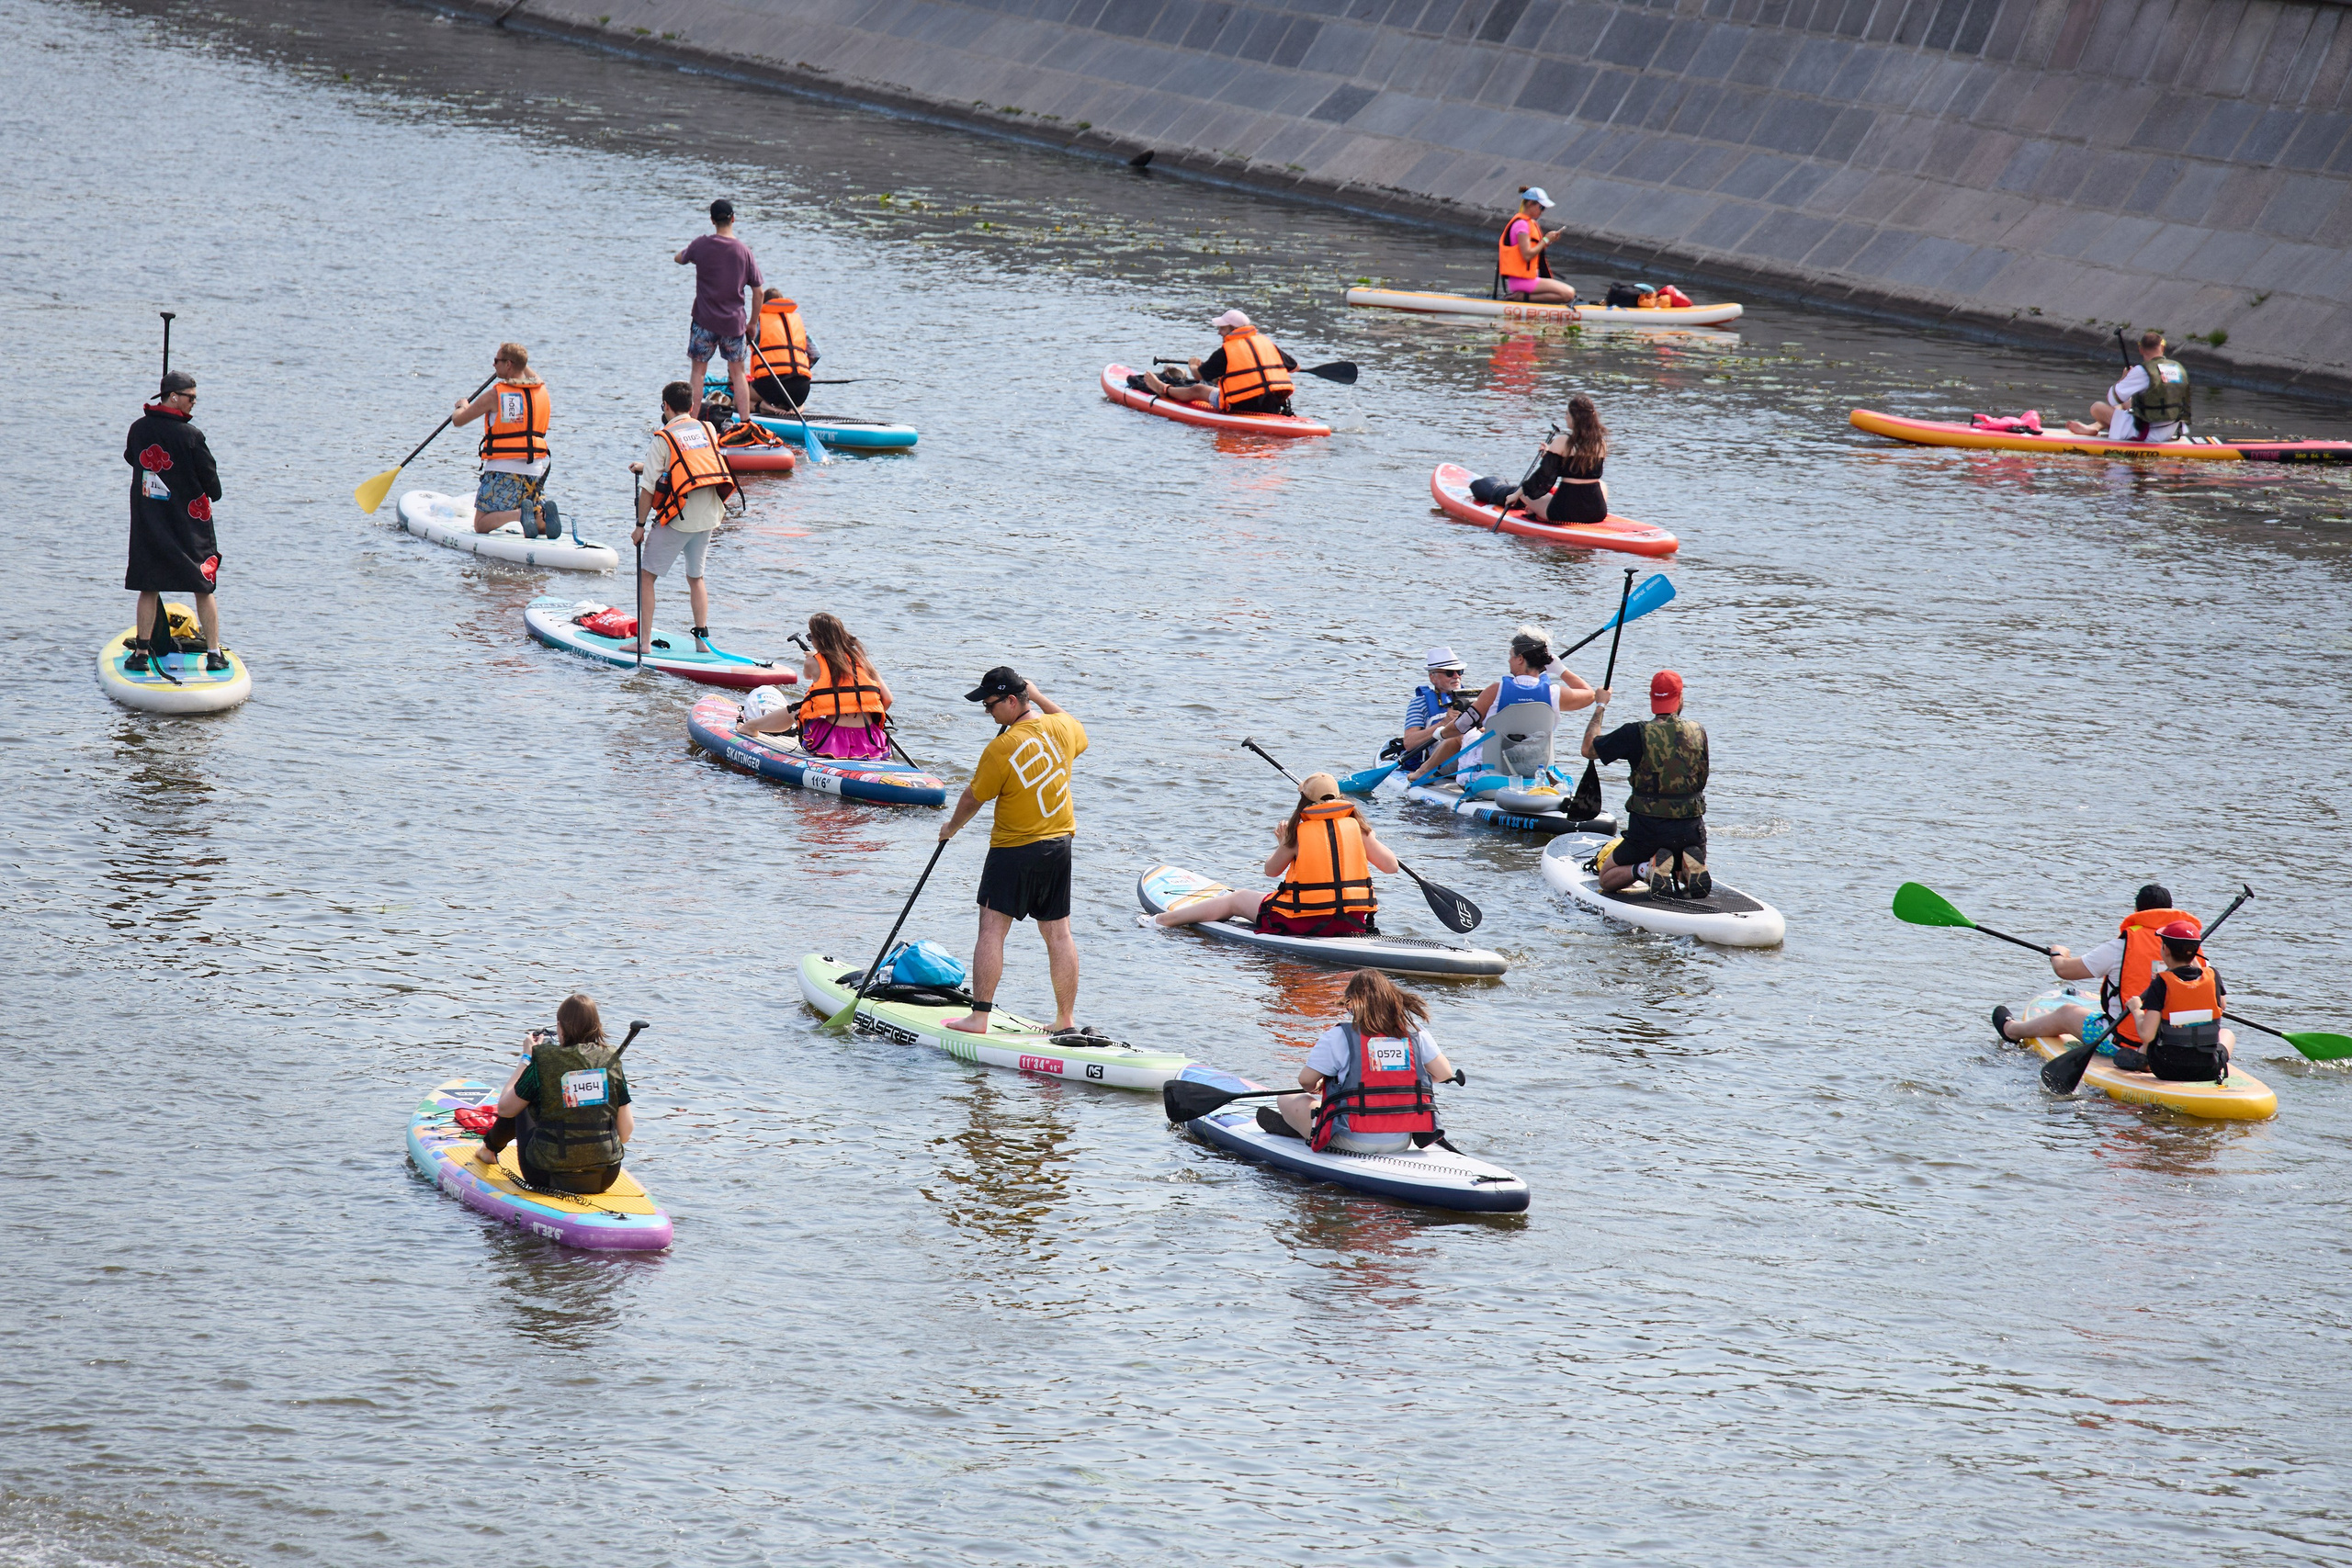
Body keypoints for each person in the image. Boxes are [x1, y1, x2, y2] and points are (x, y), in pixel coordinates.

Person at [937, 668, 1090, 1041]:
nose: (987, 713)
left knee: (991, 930)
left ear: (1010, 701)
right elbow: (1072, 725)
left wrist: (949, 829)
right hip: (1059, 846)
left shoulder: (1001, 748)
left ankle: (979, 1017)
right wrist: (1037, 696)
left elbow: (974, 797)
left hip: (1012, 849)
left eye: (990, 705)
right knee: (1058, 933)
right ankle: (1064, 1019)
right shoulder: (1065, 729)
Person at [1148, 773, 1401, 939]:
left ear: (1304, 801)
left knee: (1237, 899)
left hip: (1303, 921)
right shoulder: (1358, 829)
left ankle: (1163, 920)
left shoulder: (1298, 832)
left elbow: (1271, 871)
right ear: (1339, 798)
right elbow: (1391, 867)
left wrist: (1283, 844)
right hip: (1352, 922)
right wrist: (1371, 837)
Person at [1992, 884, 2211, 1068]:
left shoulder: (2122, 946)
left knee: (2067, 1013)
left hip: (2125, 1042)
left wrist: (2058, 954)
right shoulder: (2194, 952)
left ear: (2136, 911)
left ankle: (2012, 1030)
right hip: (2182, 1043)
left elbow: (2065, 971)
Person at [1266, 969, 1460, 1148]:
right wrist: (1404, 1082)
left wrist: (1319, 1086)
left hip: (1349, 1139)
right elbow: (1444, 1074)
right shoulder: (1415, 1032)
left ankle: (1302, 1128)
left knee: (1286, 1098)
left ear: (1351, 1004)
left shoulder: (1338, 1036)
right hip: (1401, 1142)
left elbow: (1305, 1081)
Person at [477, 992, 635, 1195]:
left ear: (561, 1026)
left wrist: (526, 1059)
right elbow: (626, 1134)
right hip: (605, 1177)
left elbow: (506, 1109)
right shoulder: (611, 1061)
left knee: (523, 1101)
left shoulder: (544, 1061)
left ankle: (489, 1150)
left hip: (547, 1175)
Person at [123, 369, 227, 671]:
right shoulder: (192, 436)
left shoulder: (138, 429)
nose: (194, 403)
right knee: (203, 587)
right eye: (190, 398)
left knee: (149, 585)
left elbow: (133, 458)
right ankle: (214, 654)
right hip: (189, 526)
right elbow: (214, 490)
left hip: (149, 522)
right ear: (173, 397)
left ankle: (141, 655)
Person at [1407, 626, 1595, 785]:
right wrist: (1560, 670)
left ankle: (1421, 772)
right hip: (1533, 765)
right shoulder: (1554, 693)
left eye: (1511, 656)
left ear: (1520, 658)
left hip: (1492, 768)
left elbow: (1462, 725)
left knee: (1461, 736)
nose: (1508, 660)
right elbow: (1590, 695)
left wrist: (1440, 733)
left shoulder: (1496, 690)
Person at [1579, 669, 1710, 897]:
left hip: (1648, 832)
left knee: (1607, 878)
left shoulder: (1634, 733)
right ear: (1679, 698)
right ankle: (1686, 867)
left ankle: (1645, 868)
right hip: (1691, 830)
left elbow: (1588, 749)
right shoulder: (1698, 731)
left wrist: (1600, 705)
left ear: (1652, 699)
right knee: (1675, 864)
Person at [629, 381, 736, 654]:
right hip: (710, 515)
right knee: (696, 577)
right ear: (692, 407)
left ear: (665, 407)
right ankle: (702, 643)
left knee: (647, 576)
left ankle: (643, 643)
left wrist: (640, 526)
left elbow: (648, 488)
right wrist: (648, 466)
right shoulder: (708, 428)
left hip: (679, 518)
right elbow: (693, 461)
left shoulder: (662, 438)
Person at [738, 612, 894, 760]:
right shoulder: (862, 660)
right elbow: (888, 699)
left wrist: (814, 657)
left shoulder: (813, 662)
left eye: (811, 637)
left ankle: (751, 727)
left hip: (832, 741)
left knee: (797, 709)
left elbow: (808, 675)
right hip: (870, 739)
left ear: (820, 640)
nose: (810, 640)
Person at [447, 343, 555, 537]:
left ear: (508, 365)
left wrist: (462, 406)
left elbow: (459, 421)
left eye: (497, 361)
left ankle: (520, 514)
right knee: (534, 514)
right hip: (534, 470)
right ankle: (541, 520)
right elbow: (531, 375)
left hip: (502, 469)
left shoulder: (495, 394)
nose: (493, 364)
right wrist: (519, 361)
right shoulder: (541, 390)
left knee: (480, 524)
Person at [675, 198, 763, 420]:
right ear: (733, 219)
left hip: (704, 322)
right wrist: (752, 323)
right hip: (734, 324)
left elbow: (679, 258)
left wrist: (693, 254)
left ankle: (691, 423)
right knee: (738, 373)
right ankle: (745, 423)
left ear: (712, 220)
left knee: (698, 372)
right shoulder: (744, 252)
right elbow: (759, 291)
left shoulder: (701, 245)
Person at [1467, 394, 1611, 525]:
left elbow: (1543, 478)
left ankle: (1506, 495)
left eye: (1567, 414)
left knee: (1522, 491)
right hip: (1596, 512)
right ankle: (1531, 507)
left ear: (1575, 417)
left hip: (1566, 511)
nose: (1565, 417)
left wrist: (1516, 495)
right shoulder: (1600, 443)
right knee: (1601, 484)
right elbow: (1580, 469)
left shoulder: (1563, 441)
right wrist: (1550, 455)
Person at [2124, 919, 2234, 1081]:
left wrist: (2136, 1009)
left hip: (2167, 1068)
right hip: (2208, 1069)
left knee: (2154, 1032)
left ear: (2165, 950)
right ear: (2196, 951)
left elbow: (2147, 1034)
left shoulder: (2161, 983)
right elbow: (2222, 1005)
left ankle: (2143, 1061)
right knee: (2227, 1033)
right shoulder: (2213, 976)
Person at [1135, 310, 1296, 414]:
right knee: (1220, 382)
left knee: (1197, 389)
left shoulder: (1226, 351)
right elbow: (1295, 367)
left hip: (1241, 406)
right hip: (1272, 406)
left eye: (1222, 328)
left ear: (1233, 329)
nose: (1219, 332)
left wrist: (1193, 366)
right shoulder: (1268, 344)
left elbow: (1200, 376)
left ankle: (1164, 389)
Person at [2066, 328, 2190, 441]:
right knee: (2125, 403)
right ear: (2162, 347)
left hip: (2148, 433)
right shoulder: (2178, 368)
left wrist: (2124, 378)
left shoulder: (2142, 370)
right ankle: (2094, 427)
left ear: (2141, 349)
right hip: (2171, 429)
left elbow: (2112, 398)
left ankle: (2094, 428)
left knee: (2097, 408)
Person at [1394, 647, 1473, 772]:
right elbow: (1409, 743)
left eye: (1459, 671)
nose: (1456, 676)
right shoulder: (1419, 703)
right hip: (1440, 761)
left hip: (1472, 752)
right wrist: (1443, 724)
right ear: (1433, 678)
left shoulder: (1475, 699)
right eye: (1449, 673)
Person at [1496, 186, 1577, 304]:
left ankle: (1525, 297)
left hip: (1529, 278)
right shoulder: (1522, 225)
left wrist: (1548, 241)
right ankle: (1521, 297)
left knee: (1569, 293)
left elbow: (1534, 250)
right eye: (1541, 207)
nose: (1542, 211)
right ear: (1529, 204)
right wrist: (1545, 240)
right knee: (1568, 293)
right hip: (1521, 281)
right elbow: (1527, 255)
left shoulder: (1529, 223)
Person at [747, 288, 818, 414]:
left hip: (771, 385)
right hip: (801, 387)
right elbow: (816, 354)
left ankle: (767, 408)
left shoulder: (759, 323)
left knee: (740, 398)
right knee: (797, 397)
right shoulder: (797, 324)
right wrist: (797, 368)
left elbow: (741, 349)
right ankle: (796, 409)